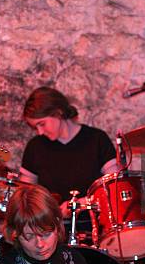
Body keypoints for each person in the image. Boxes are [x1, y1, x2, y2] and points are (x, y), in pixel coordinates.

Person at [19, 87, 118, 216]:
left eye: (42, 124)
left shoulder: (97, 139)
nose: (40, 132)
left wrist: (81, 204)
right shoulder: (35, 147)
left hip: (94, 225)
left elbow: (115, 186)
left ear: (58, 113)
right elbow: (25, 193)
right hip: (52, 229)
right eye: (35, 127)